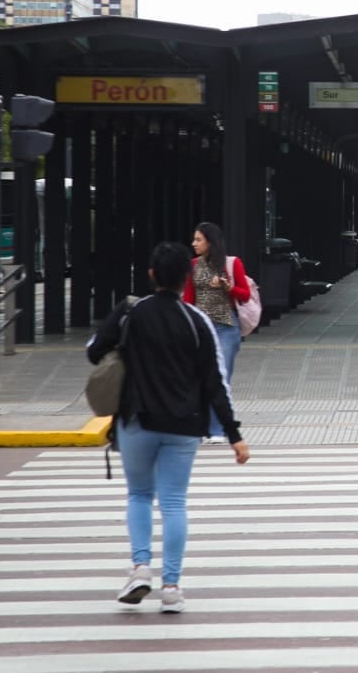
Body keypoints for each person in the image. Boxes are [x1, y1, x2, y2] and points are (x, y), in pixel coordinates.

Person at [86, 240, 249, 614]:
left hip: (136, 421)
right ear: (186, 278)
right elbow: (215, 384)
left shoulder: (130, 312)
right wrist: (234, 435)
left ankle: (141, 567)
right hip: (183, 426)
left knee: (139, 495)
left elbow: (94, 351)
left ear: (151, 275)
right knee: (174, 502)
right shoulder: (198, 321)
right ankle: (172, 587)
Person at [182, 222, 249, 438]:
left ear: (210, 242)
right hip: (201, 328)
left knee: (220, 378)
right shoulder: (193, 265)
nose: (194, 244)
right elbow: (189, 298)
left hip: (226, 327)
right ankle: (202, 426)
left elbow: (245, 295)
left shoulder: (231, 264)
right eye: (194, 239)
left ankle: (218, 429)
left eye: (199, 240)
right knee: (200, 378)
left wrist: (228, 287)